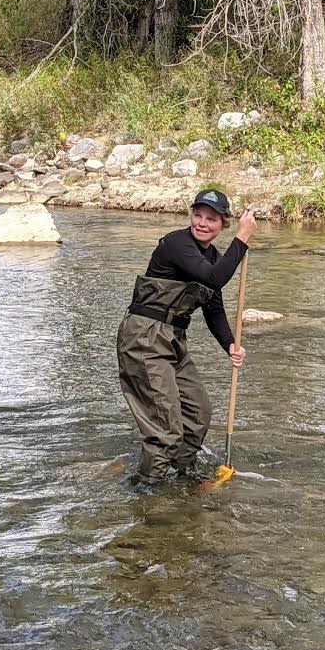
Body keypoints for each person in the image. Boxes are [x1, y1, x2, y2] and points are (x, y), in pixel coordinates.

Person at [117, 189, 257, 484]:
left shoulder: (212, 257)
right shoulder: (176, 243)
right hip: (144, 337)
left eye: (211, 219)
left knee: (198, 413)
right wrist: (243, 238)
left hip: (173, 339)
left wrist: (230, 343)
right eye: (197, 215)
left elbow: (214, 308)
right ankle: (147, 492)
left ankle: (181, 476)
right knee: (165, 428)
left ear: (222, 225)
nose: (202, 223)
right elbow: (214, 278)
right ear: (190, 215)